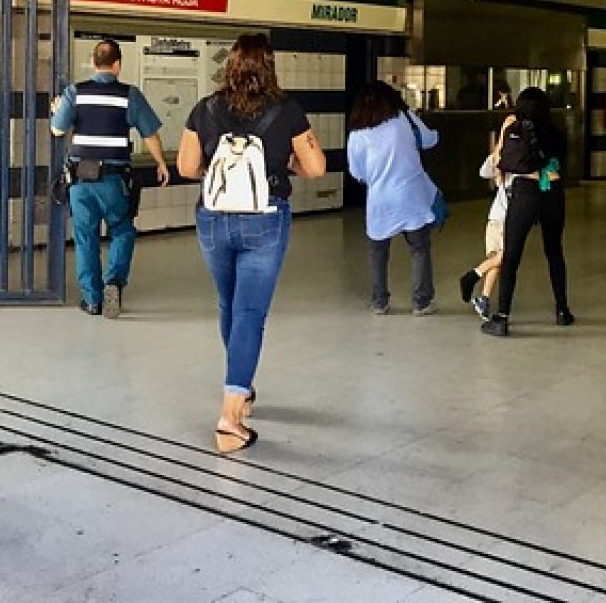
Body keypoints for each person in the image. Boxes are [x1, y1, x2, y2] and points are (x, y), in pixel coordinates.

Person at [177, 33, 326, 454]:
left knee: (229, 307)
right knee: (250, 313)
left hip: (213, 218)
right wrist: (282, 164)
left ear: (231, 64)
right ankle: (229, 417)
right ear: (270, 65)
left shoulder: (205, 108)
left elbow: (188, 166)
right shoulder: (287, 110)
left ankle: (241, 386)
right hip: (265, 218)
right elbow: (316, 167)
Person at [50, 38, 170, 318]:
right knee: (123, 230)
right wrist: (161, 163)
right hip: (113, 181)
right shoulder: (129, 95)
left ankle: (92, 300)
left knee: (85, 237)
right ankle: (114, 282)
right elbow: (150, 133)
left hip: (81, 181)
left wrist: (57, 110)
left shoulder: (74, 93)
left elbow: (57, 131)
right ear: (118, 65)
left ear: (94, 63)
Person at [480, 87, 573, 337]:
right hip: (553, 191)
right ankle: (562, 310)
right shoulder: (556, 131)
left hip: (525, 191)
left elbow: (502, 161)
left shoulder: (515, 129)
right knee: (554, 251)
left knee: (512, 254)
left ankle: (501, 318)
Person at [347, 80, 441, 318]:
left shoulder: (358, 133)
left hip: (380, 199)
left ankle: (379, 302)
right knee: (419, 248)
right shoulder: (405, 118)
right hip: (412, 196)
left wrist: (377, 178)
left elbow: (357, 172)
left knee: (378, 251)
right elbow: (429, 139)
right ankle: (421, 302)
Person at [457, 142, 509, 318]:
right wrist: (496, 154)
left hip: (496, 218)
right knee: (505, 256)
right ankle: (473, 275)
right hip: (504, 221)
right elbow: (483, 172)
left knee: (497, 260)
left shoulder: (506, 162)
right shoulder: (512, 163)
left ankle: (484, 298)